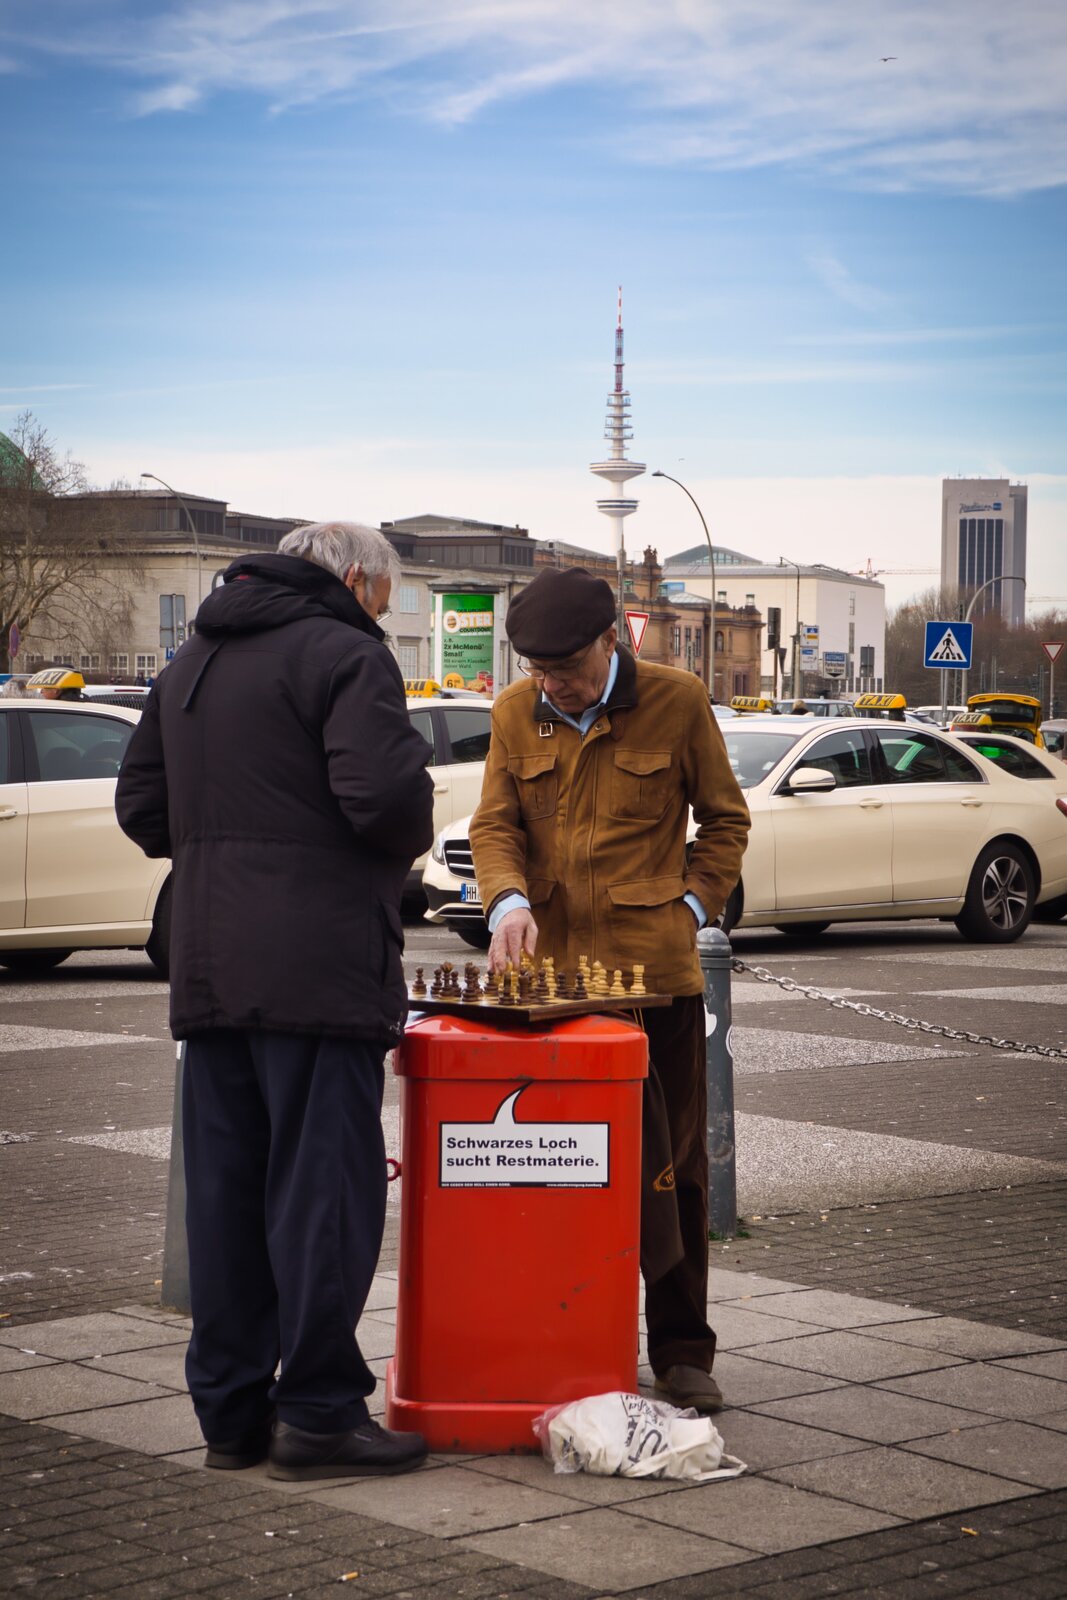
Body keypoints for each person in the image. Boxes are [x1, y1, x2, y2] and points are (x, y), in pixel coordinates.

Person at [116, 521, 435, 1480]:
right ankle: (323, 1414)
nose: (380, 608)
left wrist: (227, 851)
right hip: (320, 969)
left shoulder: (193, 660)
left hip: (210, 966)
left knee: (225, 1198)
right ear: (350, 579)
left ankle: (230, 1418)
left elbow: (142, 810)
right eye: (383, 593)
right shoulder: (346, 654)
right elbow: (384, 802)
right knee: (322, 1196)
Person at [469, 566, 750, 1415]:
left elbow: (725, 820)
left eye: (566, 669)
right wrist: (507, 900)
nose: (551, 684)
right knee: (556, 1171)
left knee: (673, 1172)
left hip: (654, 980)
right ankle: (565, 1330)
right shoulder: (516, 711)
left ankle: (680, 1351)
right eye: (538, 671)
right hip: (551, 987)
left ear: (610, 641)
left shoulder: (678, 699)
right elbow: (494, 823)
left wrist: (690, 907)